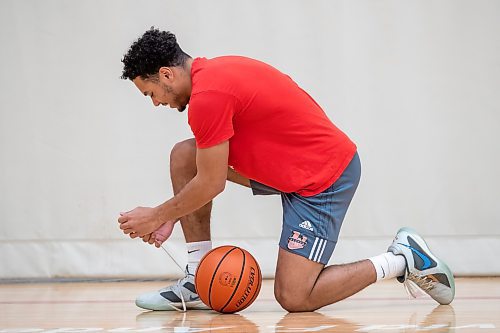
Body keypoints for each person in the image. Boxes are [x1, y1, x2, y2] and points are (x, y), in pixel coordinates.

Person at [118, 28, 455, 312]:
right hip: (288, 168)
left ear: (166, 74)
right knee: (184, 156)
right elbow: (207, 176)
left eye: (151, 93)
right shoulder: (215, 74)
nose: (156, 102)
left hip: (324, 178)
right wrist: (170, 215)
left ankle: (402, 258)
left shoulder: (208, 96)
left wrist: (158, 214)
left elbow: (211, 183)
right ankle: (196, 280)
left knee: (295, 296)